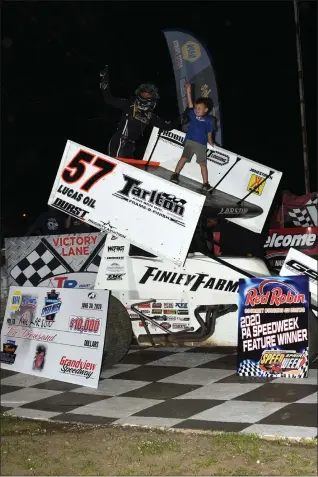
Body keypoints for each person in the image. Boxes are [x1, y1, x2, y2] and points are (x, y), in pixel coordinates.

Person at [100, 65, 185, 158]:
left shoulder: (150, 116)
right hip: (119, 141)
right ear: (139, 93)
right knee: (116, 164)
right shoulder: (129, 104)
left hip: (131, 146)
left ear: (152, 97)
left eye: (148, 94)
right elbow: (109, 99)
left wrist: (182, 117)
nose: (145, 95)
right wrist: (104, 82)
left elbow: (167, 126)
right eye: (143, 93)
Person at [170, 82, 214, 192]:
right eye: (196, 108)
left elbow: (209, 133)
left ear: (206, 110)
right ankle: (175, 174)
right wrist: (188, 90)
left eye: (199, 108)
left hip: (201, 145)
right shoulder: (193, 115)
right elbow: (190, 103)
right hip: (190, 142)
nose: (197, 109)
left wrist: (211, 142)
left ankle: (205, 183)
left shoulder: (209, 120)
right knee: (183, 158)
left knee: (203, 164)